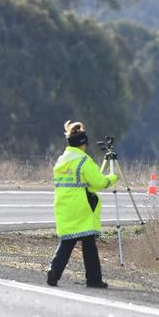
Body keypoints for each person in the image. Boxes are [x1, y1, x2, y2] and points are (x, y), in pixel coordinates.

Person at [48, 120, 115, 289]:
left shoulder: (61, 161)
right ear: (83, 143)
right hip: (82, 207)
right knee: (89, 244)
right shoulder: (83, 161)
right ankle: (94, 280)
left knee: (67, 242)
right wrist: (112, 178)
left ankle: (54, 271)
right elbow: (98, 183)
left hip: (63, 206)